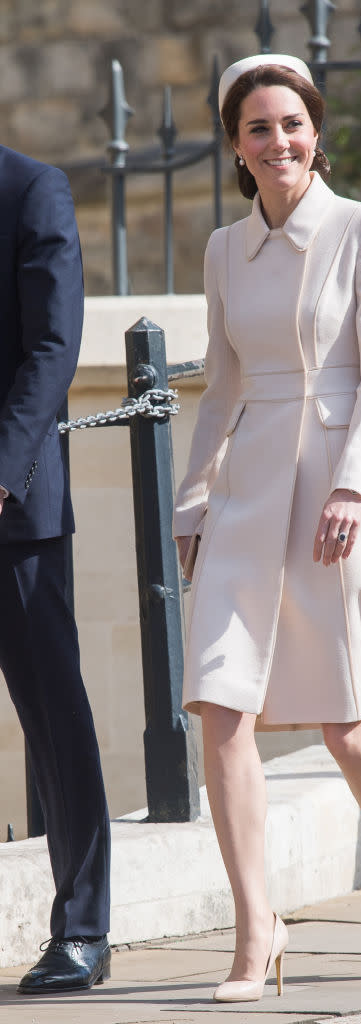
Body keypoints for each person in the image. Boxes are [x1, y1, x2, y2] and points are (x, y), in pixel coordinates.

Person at [173, 54, 361, 1001]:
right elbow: (222, 387)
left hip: (337, 492)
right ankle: (257, 931)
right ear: (238, 149)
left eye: (291, 123)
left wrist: (353, 487)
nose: (279, 141)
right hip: (247, 491)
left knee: (343, 724)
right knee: (219, 708)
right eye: (259, 128)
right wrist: (191, 498)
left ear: (316, 132)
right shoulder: (222, 250)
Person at [0, 145, 111, 994]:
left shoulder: (32, 188)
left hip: (12, 513)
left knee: (52, 715)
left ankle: (81, 929)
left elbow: (52, 344)